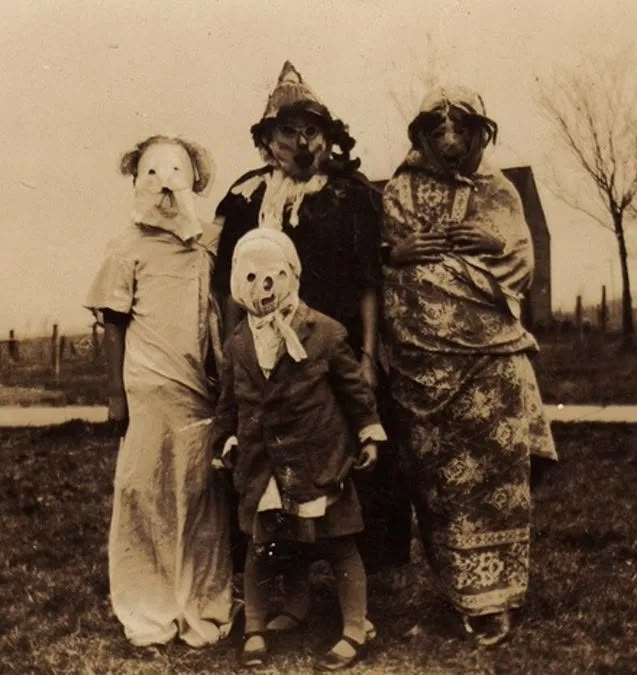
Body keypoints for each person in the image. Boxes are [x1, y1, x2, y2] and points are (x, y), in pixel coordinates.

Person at [213, 61, 411, 626]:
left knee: (344, 471)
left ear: (329, 137)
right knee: (275, 467)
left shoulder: (351, 196)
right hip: (266, 359)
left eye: (313, 131)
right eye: (288, 132)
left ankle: (358, 604)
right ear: (266, 141)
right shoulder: (246, 199)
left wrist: (370, 356)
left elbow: (371, 282)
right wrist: (235, 352)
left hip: (334, 352)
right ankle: (290, 598)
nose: (302, 144)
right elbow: (230, 283)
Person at [381, 85, 558, 646]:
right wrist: (396, 255)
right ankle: (458, 594)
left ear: (481, 133)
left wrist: (490, 241)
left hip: (490, 359)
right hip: (421, 363)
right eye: (439, 133)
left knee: (496, 479)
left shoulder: (500, 190)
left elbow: (521, 264)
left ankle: (498, 600)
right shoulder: (400, 190)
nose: (451, 144)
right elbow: (379, 262)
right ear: (423, 137)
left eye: (462, 132)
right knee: (438, 485)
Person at [85, 135, 234, 647]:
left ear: (194, 180)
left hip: (198, 387)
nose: (165, 186)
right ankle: (149, 605)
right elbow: (114, 323)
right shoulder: (126, 246)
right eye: (153, 174)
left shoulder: (206, 245)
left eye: (175, 173)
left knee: (198, 493)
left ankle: (202, 605)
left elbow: (218, 309)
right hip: (148, 387)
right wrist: (116, 395)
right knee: (145, 491)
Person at [213, 228, 385, 670]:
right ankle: (256, 625)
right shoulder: (237, 343)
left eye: (273, 279)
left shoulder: (324, 332)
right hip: (264, 463)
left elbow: (354, 391)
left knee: (339, 543)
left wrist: (368, 433)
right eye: (250, 280)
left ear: (292, 275)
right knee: (263, 544)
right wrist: (226, 438)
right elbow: (229, 403)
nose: (262, 291)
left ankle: (354, 626)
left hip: (319, 459)